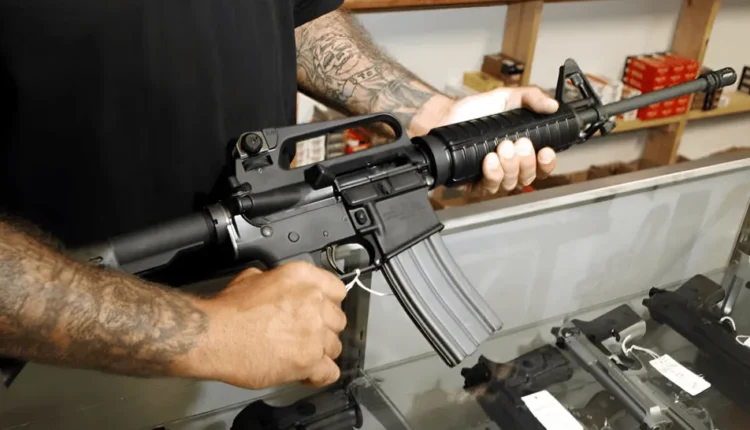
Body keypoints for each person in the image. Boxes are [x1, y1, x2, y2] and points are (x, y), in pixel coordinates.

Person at [0, 1, 559, 390]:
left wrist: (433, 114)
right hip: (68, 348)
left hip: (266, 319)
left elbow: (295, 15)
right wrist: (212, 335)